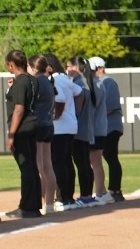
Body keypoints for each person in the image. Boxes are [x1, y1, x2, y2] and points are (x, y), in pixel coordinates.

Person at [3, 49, 44, 218]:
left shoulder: (20, 82)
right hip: (33, 124)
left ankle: (26, 207)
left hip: (22, 128)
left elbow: (19, 109)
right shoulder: (33, 80)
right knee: (32, 167)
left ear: (11, 65)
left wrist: (11, 134)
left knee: (26, 167)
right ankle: (34, 206)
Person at [43, 53, 82, 211]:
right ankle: (68, 197)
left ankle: (61, 198)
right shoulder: (65, 78)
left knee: (57, 162)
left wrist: (55, 116)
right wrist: (75, 113)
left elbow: (59, 101)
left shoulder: (55, 80)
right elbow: (79, 92)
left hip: (59, 127)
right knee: (66, 161)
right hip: (70, 125)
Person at [66, 57, 99, 205]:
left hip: (79, 129)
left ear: (75, 68)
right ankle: (87, 195)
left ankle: (85, 195)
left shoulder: (79, 84)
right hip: (87, 129)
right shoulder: (88, 82)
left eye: (69, 66)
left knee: (81, 164)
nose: (67, 69)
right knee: (84, 163)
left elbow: (77, 108)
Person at [29, 54, 60, 211]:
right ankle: (49, 204)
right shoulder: (48, 81)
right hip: (48, 125)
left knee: (39, 166)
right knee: (48, 166)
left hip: (39, 125)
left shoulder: (37, 82)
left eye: (28, 66)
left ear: (34, 68)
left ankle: (38, 204)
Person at [90, 58, 124, 200]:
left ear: (101, 68)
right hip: (102, 127)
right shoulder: (95, 82)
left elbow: (109, 107)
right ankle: (103, 190)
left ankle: (115, 190)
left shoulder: (108, 82)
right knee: (98, 158)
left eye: (93, 69)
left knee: (110, 156)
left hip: (111, 126)